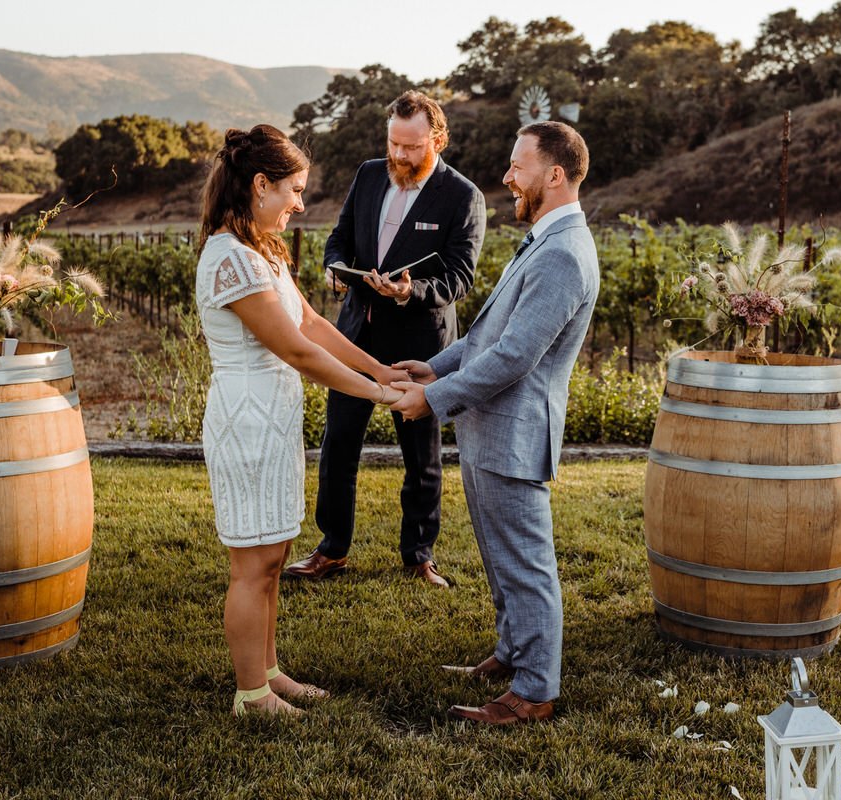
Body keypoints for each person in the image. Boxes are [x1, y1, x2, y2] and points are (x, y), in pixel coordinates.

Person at [390, 122, 599, 725]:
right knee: (501, 557)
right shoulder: (544, 239)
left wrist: (432, 401)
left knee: (527, 565)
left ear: (554, 175)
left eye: (518, 166)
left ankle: (535, 689)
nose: (507, 177)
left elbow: (514, 358)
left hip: (515, 431)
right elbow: (487, 336)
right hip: (490, 428)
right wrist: (432, 368)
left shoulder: (561, 252)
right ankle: (512, 652)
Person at [195, 124, 407, 716]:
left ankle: (269, 671)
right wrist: (376, 395)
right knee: (252, 563)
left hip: (274, 419)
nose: (300, 203)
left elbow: (314, 325)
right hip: (247, 422)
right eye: (294, 189)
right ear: (260, 185)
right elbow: (297, 351)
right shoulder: (229, 258)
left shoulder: (261, 250)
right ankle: (251, 695)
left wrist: (381, 371)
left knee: (275, 556)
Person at [283, 90, 486, 588]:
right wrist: (334, 267)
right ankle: (331, 550)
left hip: (420, 346)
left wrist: (407, 292)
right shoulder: (369, 173)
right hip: (356, 337)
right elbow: (340, 236)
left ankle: (419, 555)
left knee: (422, 459)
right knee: (338, 447)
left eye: (411, 147)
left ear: (437, 140)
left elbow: (459, 278)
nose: (399, 155)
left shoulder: (464, 196)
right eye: (394, 143)